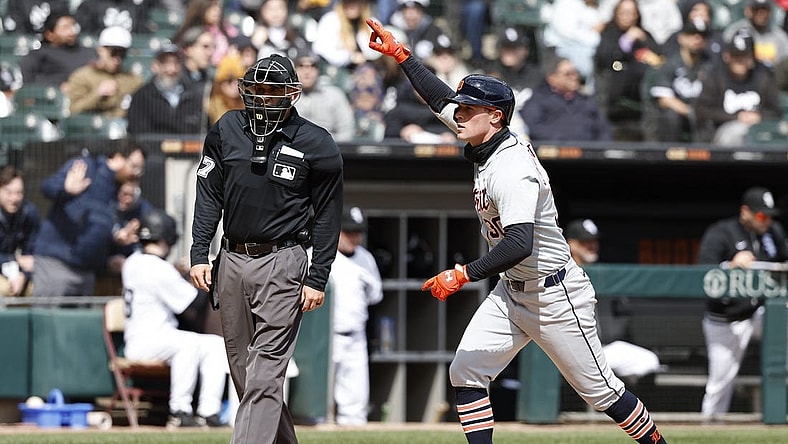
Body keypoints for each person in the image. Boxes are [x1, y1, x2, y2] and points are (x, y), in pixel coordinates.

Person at [366, 18, 668, 444]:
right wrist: (403, 56)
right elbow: (438, 99)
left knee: (603, 393)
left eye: (468, 108)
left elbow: (518, 243)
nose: (459, 113)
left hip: (554, 294)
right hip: (512, 290)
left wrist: (462, 274)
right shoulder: (485, 136)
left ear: (494, 115)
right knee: (466, 371)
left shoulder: (512, 167)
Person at [188, 54, 344, 444]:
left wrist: (317, 276)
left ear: (292, 94)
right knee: (245, 375)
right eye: (256, 89)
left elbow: (328, 216)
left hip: (283, 260)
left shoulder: (317, 143)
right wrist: (198, 251)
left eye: (273, 90)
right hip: (231, 259)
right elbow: (208, 194)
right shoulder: (226, 128)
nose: (263, 98)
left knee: (264, 375)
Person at [123, 208, 232, 428]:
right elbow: (194, 303)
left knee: (215, 345)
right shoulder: (157, 268)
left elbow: (159, 278)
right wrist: (204, 270)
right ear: (166, 237)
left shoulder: (133, 261)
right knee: (189, 344)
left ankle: (209, 412)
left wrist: (179, 271)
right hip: (147, 340)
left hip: (149, 337)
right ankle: (179, 410)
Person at [696, 186, 788, 423]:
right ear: (745, 212)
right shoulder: (722, 232)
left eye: (770, 215)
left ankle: (781, 415)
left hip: (759, 312)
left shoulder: (773, 233)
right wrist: (730, 265)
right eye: (761, 215)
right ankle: (710, 425)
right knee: (721, 382)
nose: (766, 220)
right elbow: (702, 272)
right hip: (726, 319)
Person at [32, 146, 146, 297]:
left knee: (81, 321)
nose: (135, 173)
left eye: (140, 170)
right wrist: (65, 189)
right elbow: (47, 187)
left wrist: (116, 237)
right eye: (134, 166)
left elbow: (99, 224)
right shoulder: (85, 167)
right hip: (56, 266)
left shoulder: (115, 189)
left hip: (87, 272)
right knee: (47, 320)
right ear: (118, 157)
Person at [564, 219, 662, 383]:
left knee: (649, 360)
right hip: (571, 349)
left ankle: (616, 399)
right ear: (571, 244)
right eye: (585, 241)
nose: (592, 245)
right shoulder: (561, 274)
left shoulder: (606, 276)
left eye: (594, 241)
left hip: (604, 349)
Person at [329, 206, 383, 425]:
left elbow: (375, 296)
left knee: (355, 404)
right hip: (325, 337)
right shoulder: (321, 255)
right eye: (349, 231)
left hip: (356, 335)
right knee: (318, 400)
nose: (354, 237)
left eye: (358, 232)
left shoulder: (366, 258)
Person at [694, 28, 781, 146]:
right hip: (724, 131)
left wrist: (758, 117)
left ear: (752, 58)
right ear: (727, 56)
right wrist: (736, 117)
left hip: (759, 130)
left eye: (745, 56)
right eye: (735, 55)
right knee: (736, 134)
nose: (740, 61)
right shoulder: (715, 77)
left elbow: (775, 111)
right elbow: (702, 110)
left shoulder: (763, 77)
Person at [593, 0, 663, 139]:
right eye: (623, 12)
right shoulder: (609, 32)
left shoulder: (643, 35)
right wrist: (627, 41)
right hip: (614, 87)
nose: (627, 16)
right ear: (616, 14)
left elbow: (658, 59)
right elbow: (606, 60)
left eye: (632, 13)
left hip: (642, 89)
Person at [646, 18, 713, 142]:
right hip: (677, 116)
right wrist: (690, 111)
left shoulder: (710, 65)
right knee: (671, 117)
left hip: (702, 115)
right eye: (692, 34)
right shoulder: (670, 63)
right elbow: (664, 100)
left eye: (702, 36)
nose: (697, 39)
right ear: (681, 38)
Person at [519, 56, 612, 142]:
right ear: (552, 78)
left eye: (576, 73)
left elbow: (603, 130)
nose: (574, 77)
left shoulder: (587, 101)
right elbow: (534, 128)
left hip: (590, 155)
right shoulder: (538, 101)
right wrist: (564, 141)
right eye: (568, 74)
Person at [126, 44, 208, 136]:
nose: (171, 69)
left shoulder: (192, 95)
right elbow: (137, 133)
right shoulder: (142, 96)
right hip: (152, 149)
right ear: (155, 66)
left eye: (176, 63)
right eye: (165, 63)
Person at [64, 26, 144, 118]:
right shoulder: (82, 76)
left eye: (122, 54)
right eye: (113, 53)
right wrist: (97, 94)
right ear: (101, 50)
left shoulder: (134, 80)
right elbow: (72, 111)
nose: (117, 59)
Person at [19, 13, 96, 89]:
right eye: (65, 28)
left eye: (73, 26)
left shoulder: (89, 52)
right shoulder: (39, 55)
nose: (72, 31)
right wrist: (57, 86)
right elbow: (29, 82)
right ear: (49, 35)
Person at [293, 50, 356, 142]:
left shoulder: (334, 95)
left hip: (327, 149)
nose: (307, 71)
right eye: (301, 66)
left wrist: (326, 146)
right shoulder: (286, 97)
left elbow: (346, 131)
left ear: (318, 70)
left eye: (312, 66)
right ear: (294, 70)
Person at [542, 0, 606, 84]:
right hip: (560, 51)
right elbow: (566, 32)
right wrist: (594, 35)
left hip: (585, 55)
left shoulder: (592, 6)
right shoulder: (567, 2)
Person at [0, 166, 40, 297]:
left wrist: (23, 276)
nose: (14, 198)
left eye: (19, 193)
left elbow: (32, 255)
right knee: (5, 289)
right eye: (9, 192)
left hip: (20, 273)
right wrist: (16, 260)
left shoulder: (29, 213)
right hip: (5, 271)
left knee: (37, 289)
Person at [722, 0, 788, 69]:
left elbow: (784, 63)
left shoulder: (780, 36)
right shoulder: (735, 31)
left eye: (765, 9)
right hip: (744, 77)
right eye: (757, 9)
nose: (762, 13)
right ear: (748, 11)